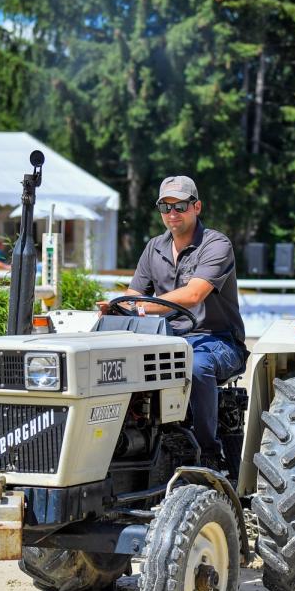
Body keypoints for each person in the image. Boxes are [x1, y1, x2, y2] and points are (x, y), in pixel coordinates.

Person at [97, 175, 246, 469]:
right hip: (167, 338)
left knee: (194, 365)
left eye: (180, 205)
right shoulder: (154, 248)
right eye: (165, 207)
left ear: (197, 207)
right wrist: (117, 308)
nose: (172, 213)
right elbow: (132, 295)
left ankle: (210, 452)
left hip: (216, 340)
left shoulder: (216, 244)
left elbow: (193, 295)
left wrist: (139, 306)